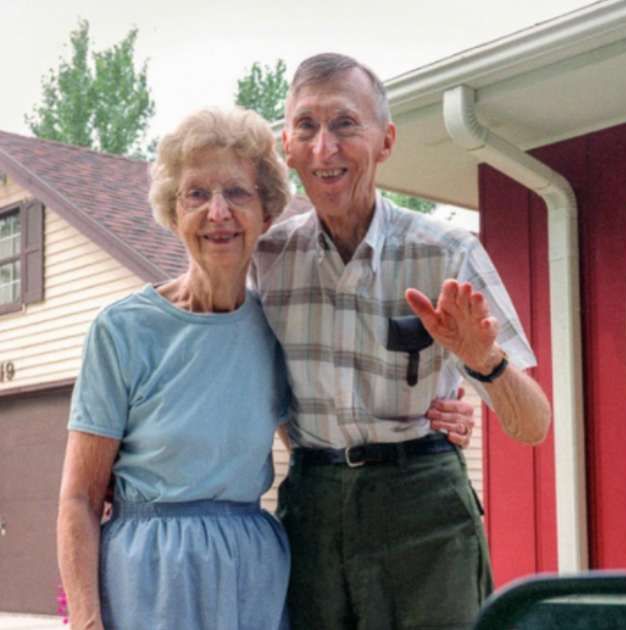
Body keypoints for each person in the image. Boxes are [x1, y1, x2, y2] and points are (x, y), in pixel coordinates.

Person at [250, 52, 552, 629]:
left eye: (344, 124)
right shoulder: (265, 263)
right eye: (306, 127)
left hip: (424, 508)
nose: (323, 148)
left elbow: (531, 425)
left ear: (386, 141)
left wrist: (482, 362)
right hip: (310, 507)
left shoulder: (448, 253)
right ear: (286, 145)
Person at [56, 107, 294, 629]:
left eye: (237, 192)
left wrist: (439, 412)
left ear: (266, 211)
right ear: (173, 210)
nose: (218, 212)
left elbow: (326, 434)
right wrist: (86, 619)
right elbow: (79, 497)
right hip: (147, 576)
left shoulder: (280, 327)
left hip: (250, 573)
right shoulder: (123, 330)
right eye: (196, 194)